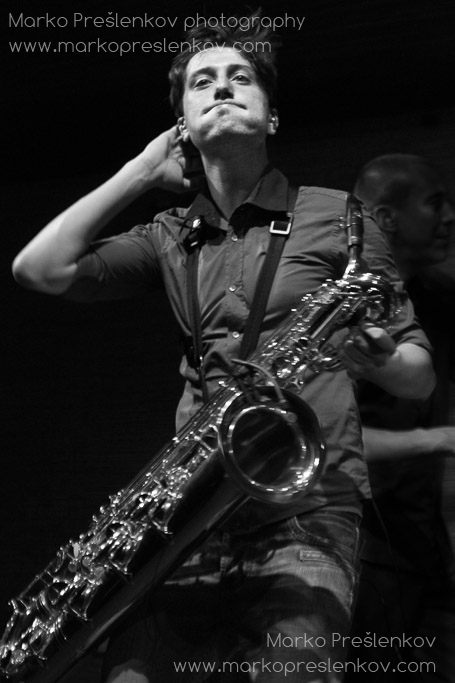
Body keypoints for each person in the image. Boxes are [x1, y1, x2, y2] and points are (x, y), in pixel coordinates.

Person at [12, 18, 434, 683]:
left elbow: (419, 377)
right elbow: (37, 269)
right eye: (202, 82)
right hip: (191, 508)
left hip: (309, 505)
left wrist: (379, 358)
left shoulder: (342, 217)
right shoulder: (166, 233)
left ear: (272, 116)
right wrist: (140, 171)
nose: (222, 88)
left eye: (241, 78)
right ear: (182, 121)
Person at [347, 154, 455, 681]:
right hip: (363, 550)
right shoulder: (342, 310)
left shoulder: (440, 300)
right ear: (386, 219)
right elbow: (325, 440)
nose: (450, 215)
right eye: (435, 203)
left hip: (424, 550)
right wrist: (437, 440)